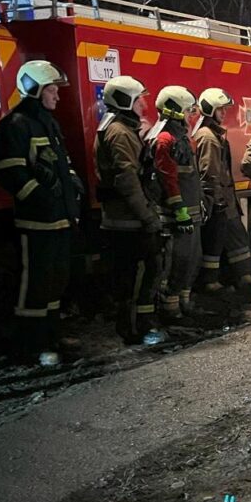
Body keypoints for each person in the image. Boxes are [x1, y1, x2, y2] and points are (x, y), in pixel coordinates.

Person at [0, 60, 83, 366]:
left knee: (57, 279)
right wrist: (42, 198)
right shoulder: (16, 124)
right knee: (36, 281)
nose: (57, 96)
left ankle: (51, 334)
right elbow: (10, 173)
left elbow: (60, 162)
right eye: (52, 90)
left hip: (60, 217)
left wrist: (72, 181)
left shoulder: (47, 122)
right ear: (35, 89)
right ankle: (31, 343)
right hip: (37, 220)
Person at [94, 75, 166, 345]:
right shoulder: (120, 133)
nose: (144, 103)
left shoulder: (118, 128)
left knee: (135, 275)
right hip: (129, 221)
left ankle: (139, 325)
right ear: (126, 101)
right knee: (138, 276)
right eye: (139, 99)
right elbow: (128, 179)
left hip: (125, 219)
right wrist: (148, 217)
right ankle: (138, 328)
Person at [144, 86, 203, 322]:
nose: (191, 116)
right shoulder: (164, 139)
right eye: (188, 111)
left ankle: (183, 301)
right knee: (177, 260)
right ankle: (170, 308)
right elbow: (167, 177)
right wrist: (179, 210)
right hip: (177, 215)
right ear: (175, 110)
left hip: (192, 211)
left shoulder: (182, 138)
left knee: (192, 257)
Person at [194, 88, 251, 292]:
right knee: (215, 242)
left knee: (236, 238)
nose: (224, 113)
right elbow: (209, 173)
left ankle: (242, 276)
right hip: (219, 200)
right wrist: (216, 201)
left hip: (226, 199)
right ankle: (212, 282)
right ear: (209, 109)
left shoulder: (213, 134)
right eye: (220, 109)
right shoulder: (208, 137)